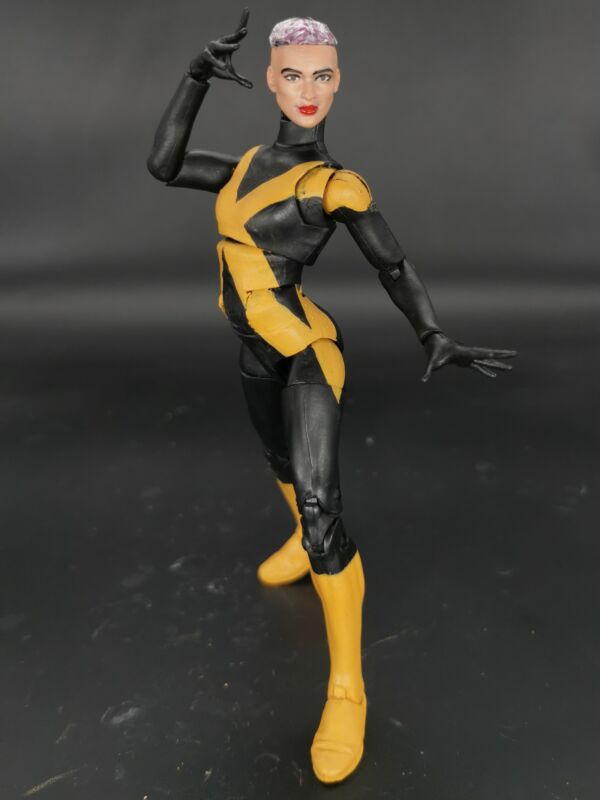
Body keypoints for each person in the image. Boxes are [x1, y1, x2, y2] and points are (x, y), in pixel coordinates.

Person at [147, 10, 516, 784]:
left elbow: (393, 264)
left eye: (322, 75)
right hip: (256, 348)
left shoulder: (334, 186)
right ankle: (298, 537)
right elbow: (165, 164)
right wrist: (195, 76)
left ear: (338, 81)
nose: (307, 89)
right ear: (272, 80)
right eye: (293, 74)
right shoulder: (247, 164)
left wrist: (431, 332)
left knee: (321, 509)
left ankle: (347, 686)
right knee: (279, 460)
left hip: (308, 351)